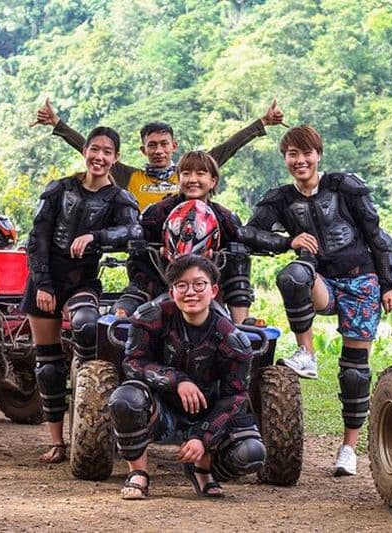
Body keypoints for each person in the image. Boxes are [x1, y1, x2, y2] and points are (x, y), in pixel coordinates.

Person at [243, 124, 392, 476]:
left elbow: (377, 234)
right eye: (292, 154)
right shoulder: (281, 199)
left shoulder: (344, 187)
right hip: (322, 282)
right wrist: (288, 241)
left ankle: (348, 449)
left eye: (306, 153)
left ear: (319, 155)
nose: (300, 161)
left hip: (361, 279)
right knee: (293, 275)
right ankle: (307, 354)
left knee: (355, 372)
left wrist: (389, 283)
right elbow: (249, 234)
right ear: (285, 158)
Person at [21, 126, 142, 464]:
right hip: (45, 281)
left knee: (88, 328)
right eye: (94, 149)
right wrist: (43, 284)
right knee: (47, 364)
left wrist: (96, 237)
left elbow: (134, 231)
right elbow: (38, 239)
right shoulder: (60, 189)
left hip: (82, 281)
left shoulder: (119, 198)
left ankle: (91, 429)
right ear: (85, 151)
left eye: (107, 152)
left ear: (115, 158)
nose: (99, 157)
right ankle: (58, 443)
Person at [108, 254, 266, 499]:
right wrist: (176, 379)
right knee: (125, 398)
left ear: (213, 290)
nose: (191, 292)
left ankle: (202, 467)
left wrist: (203, 437)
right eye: (182, 285)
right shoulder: (149, 318)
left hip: (209, 411)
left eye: (199, 284)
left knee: (251, 454)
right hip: (161, 411)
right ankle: (137, 473)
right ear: (172, 292)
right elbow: (132, 363)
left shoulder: (233, 340)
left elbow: (236, 395)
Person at [114, 150, 289, 324]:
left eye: (200, 173)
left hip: (208, 290)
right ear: (178, 178)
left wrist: (288, 242)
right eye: (186, 173)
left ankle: (240, 323)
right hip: (161, 284)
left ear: (213, 181)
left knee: (239, 254)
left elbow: (247, 236)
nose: (192, 180)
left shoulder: (225, 217)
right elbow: (135, 237)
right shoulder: (156, 212)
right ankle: (124, 316)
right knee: (132, 291)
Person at [32, 98, 286, 210]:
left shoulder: (191, 174)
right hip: (146, 250)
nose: (159, 151)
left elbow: (230, 146)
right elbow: (92, 150)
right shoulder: (128, 176)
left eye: (164, 144)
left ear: (174, 146)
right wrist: (57, 123)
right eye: (152, 145)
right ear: (143, 150)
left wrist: (262, 122)